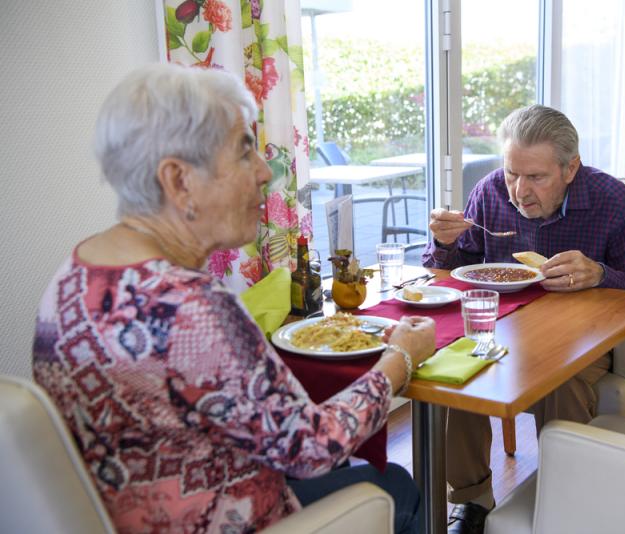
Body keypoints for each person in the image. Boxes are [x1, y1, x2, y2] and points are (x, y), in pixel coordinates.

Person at [31, 64, 435, 534]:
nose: (265, 172)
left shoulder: (73, 273)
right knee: (398, 487)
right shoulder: (192, 307)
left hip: (129, 508)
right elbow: (312, 446)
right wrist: (400, 358)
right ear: (179, 180)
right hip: (221, 519)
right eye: (244, 152)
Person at [422, 104, 625, 534]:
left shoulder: (612, 202)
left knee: (563, 376)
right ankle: (471, 501)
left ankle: (568, 496)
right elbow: (450, 269)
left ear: (570, 168)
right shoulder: (488, 193)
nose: (519, 190)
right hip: (503, 333)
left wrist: (601, 274)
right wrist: (442, 243)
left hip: (583, 337)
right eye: (511, 173)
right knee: (455, 370)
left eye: (535, 177)